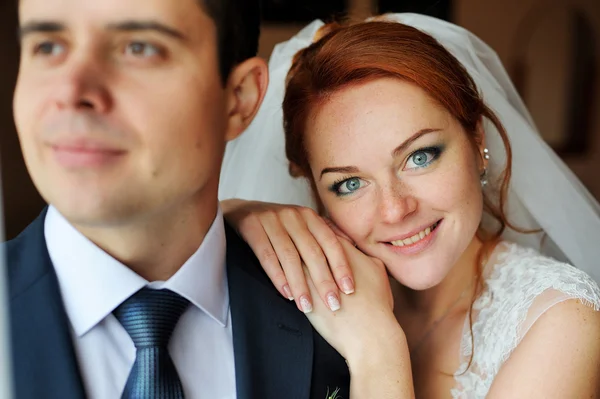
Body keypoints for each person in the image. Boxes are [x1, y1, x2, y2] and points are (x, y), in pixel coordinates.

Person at [219, 14, 600, 397]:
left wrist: (378, 351)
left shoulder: (561, 321)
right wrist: (231, 214)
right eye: (350, 184)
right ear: (316, 193)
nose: (394, 210)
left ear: (477, 142)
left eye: (419, 157)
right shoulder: (293, 302)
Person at [3, 0, 356, 398]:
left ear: (238, 97)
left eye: (139, 47)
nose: (71, 92)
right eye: (47, 46)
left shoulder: (342, 328)